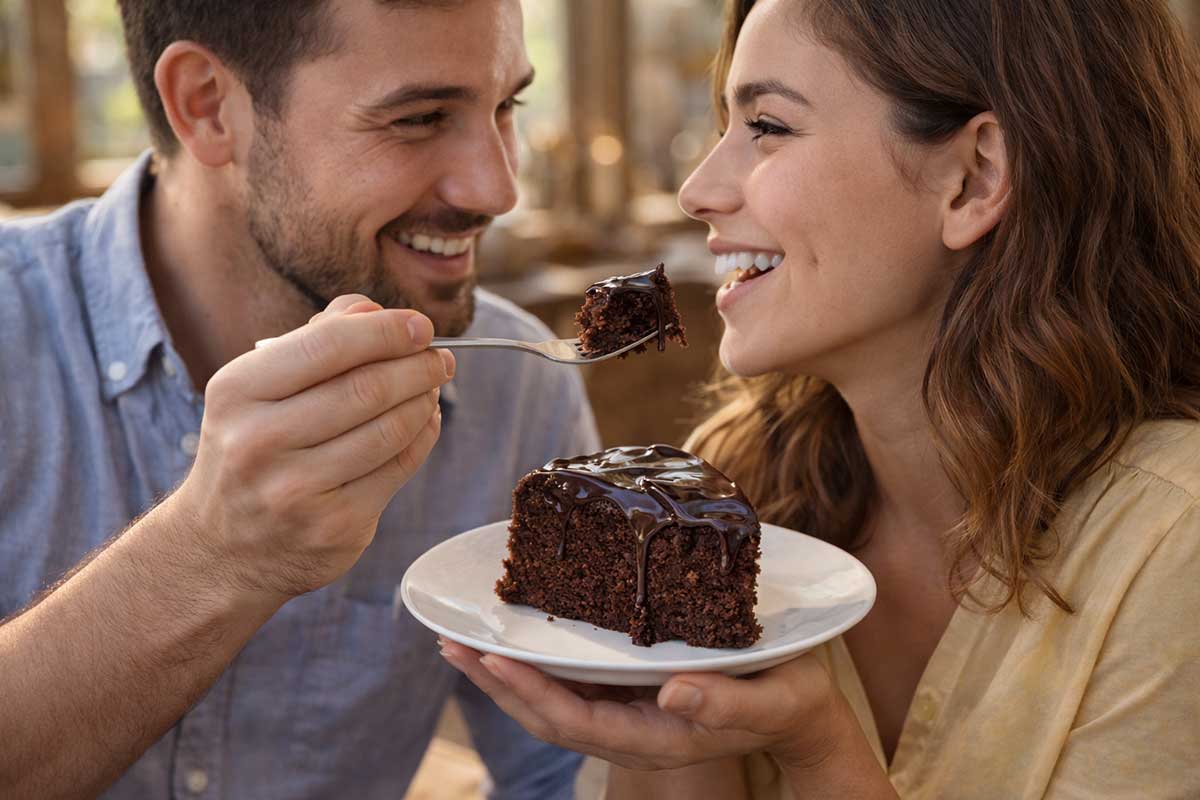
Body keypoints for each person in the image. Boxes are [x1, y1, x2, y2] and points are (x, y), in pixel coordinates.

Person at [442, 0, 1200, 796]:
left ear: (973, 180)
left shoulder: (1174, 545)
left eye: (767, 126)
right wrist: (669, 718)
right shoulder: (725, 501)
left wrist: (817, 748)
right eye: (725, 126)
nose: (698, 190)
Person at [0, 0, 598, 797]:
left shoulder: (519, 383)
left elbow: (563, 771)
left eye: (506, 107)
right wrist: (211, 553)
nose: (498, 186)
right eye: (420, 118)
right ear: (208, 106)